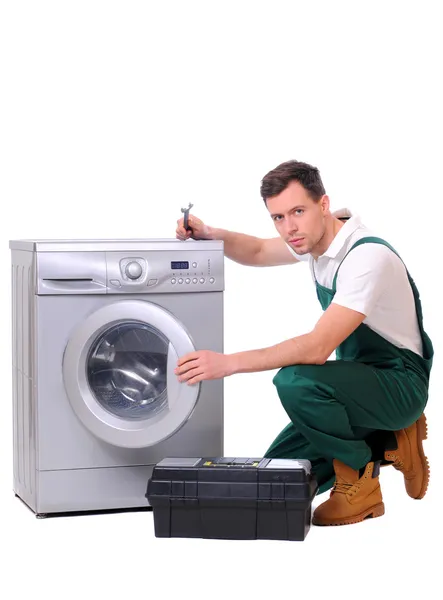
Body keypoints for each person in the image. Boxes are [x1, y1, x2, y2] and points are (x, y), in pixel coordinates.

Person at [174, 160, 433, 527]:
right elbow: (259, 252)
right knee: (278, 471)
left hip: (398, 384)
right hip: (357, 384)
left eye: (297, 212)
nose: (288, 228)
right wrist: (209, 233)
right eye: (278, 217)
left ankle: (361, 477)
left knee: (294, 381)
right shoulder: (314, 239)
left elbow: (316, 349)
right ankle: (389, 441)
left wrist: (229, 363)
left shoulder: (365, 257)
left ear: (323, 205)